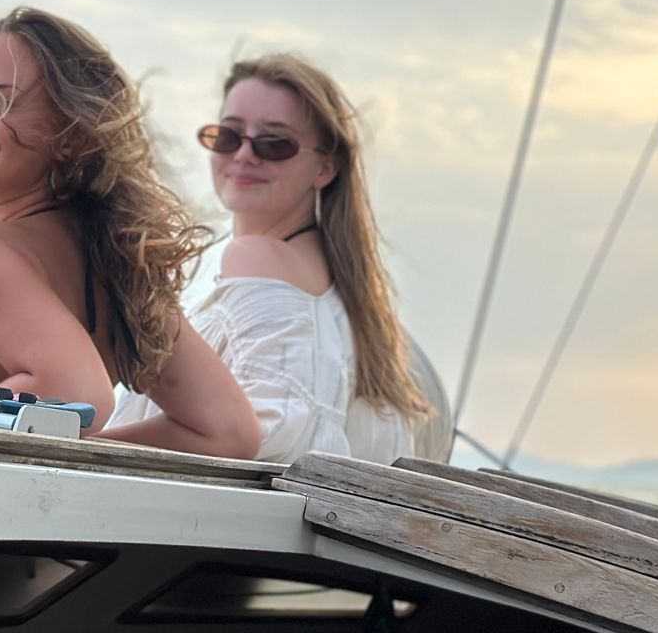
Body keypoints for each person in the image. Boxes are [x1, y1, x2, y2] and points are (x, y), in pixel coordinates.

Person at [0, 7, 259, 460]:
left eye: (1, 102)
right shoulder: (115, 262)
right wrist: (82, 453)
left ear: (71, 136)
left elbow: (81, 395)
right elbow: (227, 432)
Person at [105, 53, 449, 463]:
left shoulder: (258, 259)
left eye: (274, 143)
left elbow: (281, 432)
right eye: (229, 136)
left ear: (325, 167)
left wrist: (86, 448)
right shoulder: (346, 295)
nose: (245, 154)